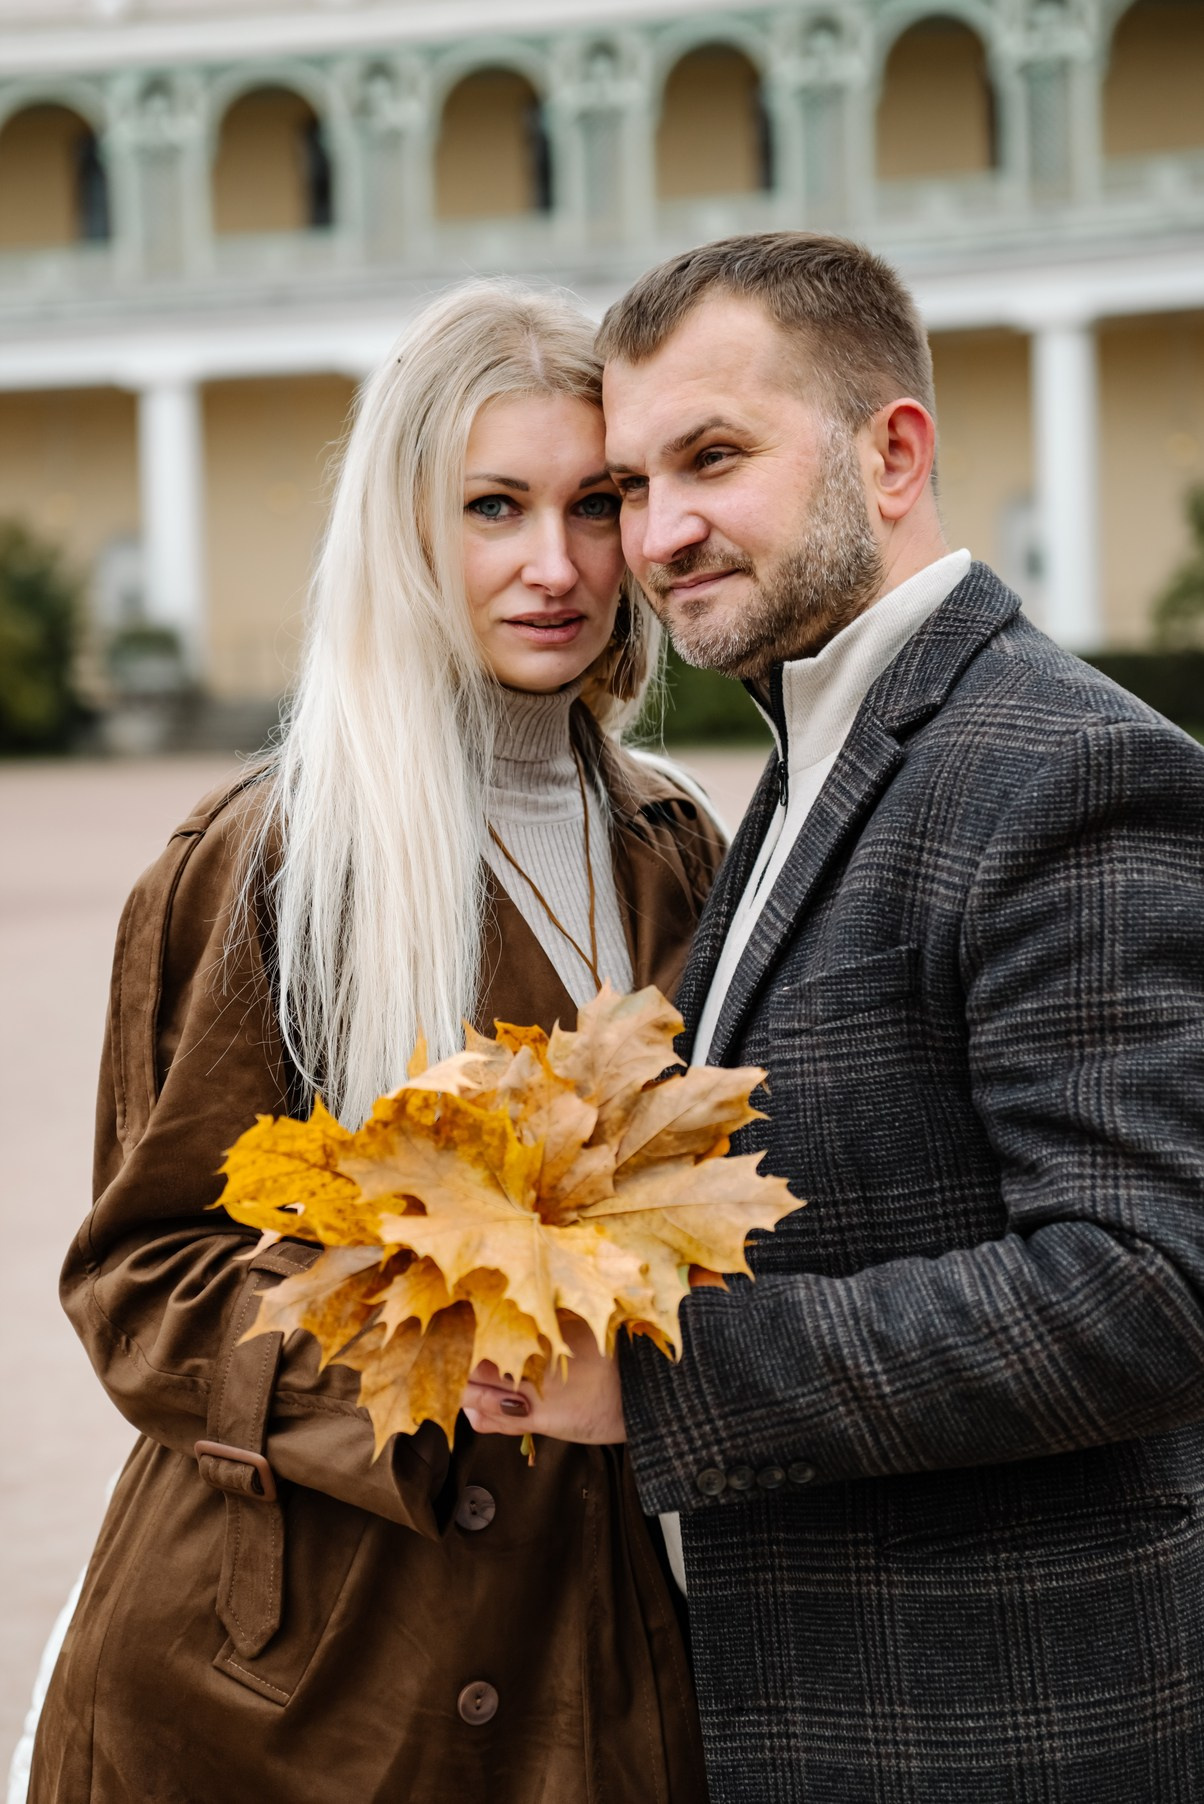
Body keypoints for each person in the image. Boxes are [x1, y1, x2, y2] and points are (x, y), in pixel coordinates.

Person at [464, 233, 1204, 1801]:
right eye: (633, 483)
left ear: (893, 452)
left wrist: (664, 1375)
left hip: (1001, 1733)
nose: (658, 535)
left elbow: (1146, 1288)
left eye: (714, 459)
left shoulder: (1062, 768)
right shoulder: (819, 750)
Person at [30, 280, 725, 1803]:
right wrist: (423, 1354)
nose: (554, 565)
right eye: (494, 506)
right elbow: (140, 1276)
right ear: (407, 532)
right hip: (297, 1677)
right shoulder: (277, 855)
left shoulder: (680, 849)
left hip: (591, 1642)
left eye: (594, 504)